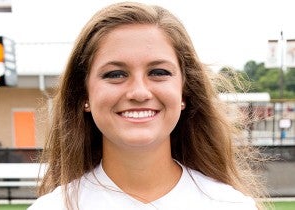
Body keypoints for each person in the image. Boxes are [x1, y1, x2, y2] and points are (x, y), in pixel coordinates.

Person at [28, 2, 266, 210]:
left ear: (184, 91)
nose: (139, 92)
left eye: (158, 72)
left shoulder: (231, 206)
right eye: (115, 74)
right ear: (84, 95)